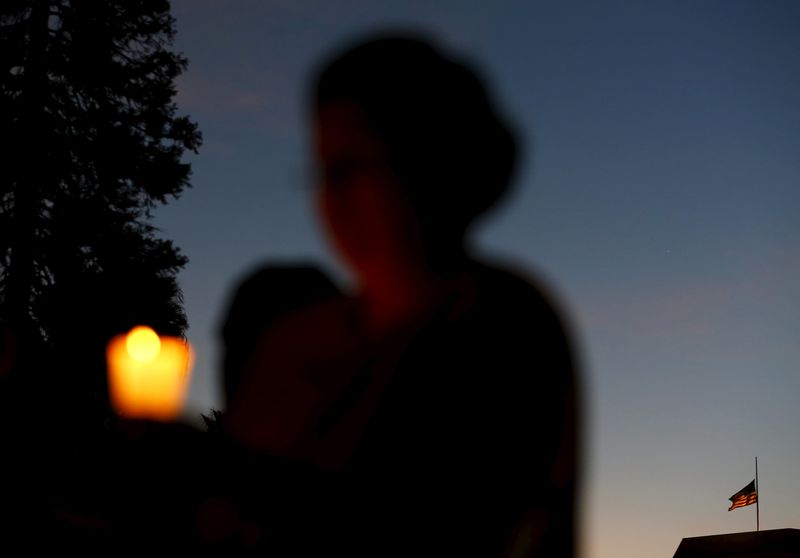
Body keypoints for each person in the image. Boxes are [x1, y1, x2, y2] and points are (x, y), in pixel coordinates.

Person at [224, 32, 581, 557]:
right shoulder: (296, 339)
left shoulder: (505, 324)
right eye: (322, 171)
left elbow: (446, 517)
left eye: (353, 165)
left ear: (435, 161)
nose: (332, 197)